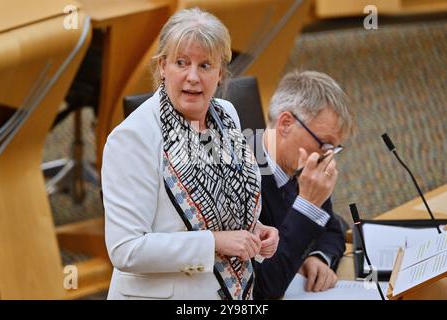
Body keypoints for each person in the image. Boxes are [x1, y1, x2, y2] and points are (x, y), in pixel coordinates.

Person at [101, 8, 278, 300]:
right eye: (181, 63)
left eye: (205, 65)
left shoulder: (227, 116)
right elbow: (127, 249)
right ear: (162, 66)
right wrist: (215, 243)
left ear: (220, 72)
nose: (193, 77)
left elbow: (220, 202)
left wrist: (255, 231)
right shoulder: (133, 138)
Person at [251, 70, 355, 299]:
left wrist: (319, 256)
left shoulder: (301, 164)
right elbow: (262, 288)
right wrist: (307, 204)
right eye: (324, 144)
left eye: (334, 148)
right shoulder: (240, 176)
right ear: (286, 123)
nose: (327, 158)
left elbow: (333, 227)